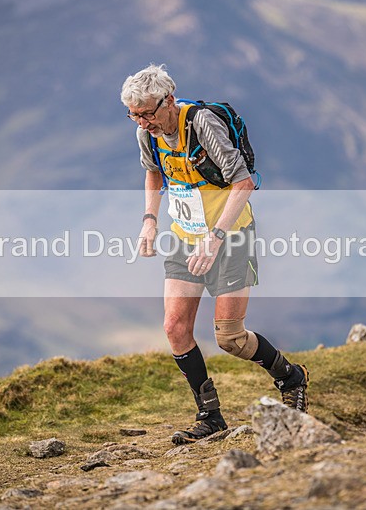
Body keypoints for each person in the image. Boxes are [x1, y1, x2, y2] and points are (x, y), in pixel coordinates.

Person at [120, 64, 309, 445]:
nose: (142, 123)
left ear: (169, 100)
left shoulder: (202, 124)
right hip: (184, 237)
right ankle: (210, 416)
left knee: (230, 338)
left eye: (147, 113)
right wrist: (149, 221)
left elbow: (244, 182)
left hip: (232, 236)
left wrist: (217, 237)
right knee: (175, 328)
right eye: (134, 115)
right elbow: (154, 174)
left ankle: (292, 377)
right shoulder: (147, 134)